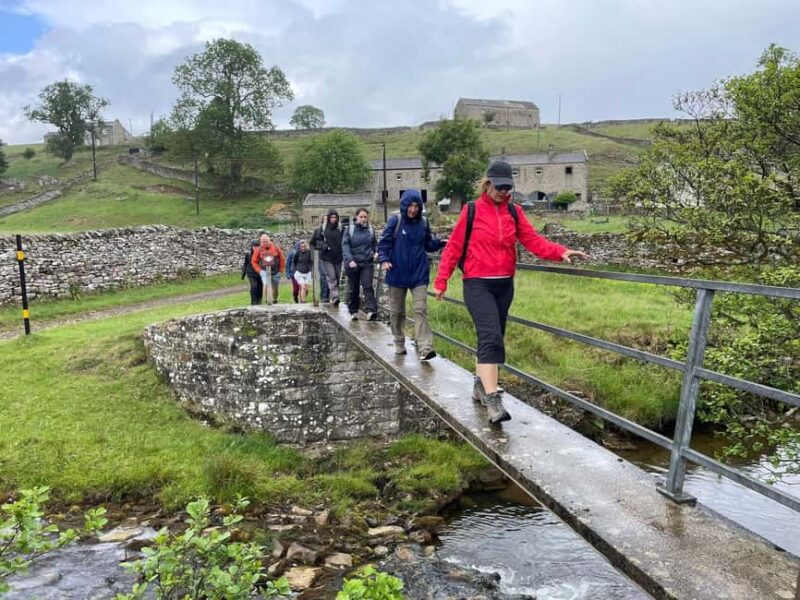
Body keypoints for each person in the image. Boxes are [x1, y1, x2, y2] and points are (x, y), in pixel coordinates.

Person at [434, 160, 588, 424]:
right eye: (500, 187)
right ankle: (493, 401)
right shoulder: (471, 211)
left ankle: (480, 386)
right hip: (477, 284)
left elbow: (533, 241)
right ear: (488, 183)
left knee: (493, 340)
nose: (504, 192)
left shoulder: (514, 213)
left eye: (509, 187)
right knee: (491, 338)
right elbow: (454, 248)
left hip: (504, 285)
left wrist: (560, 251)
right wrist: (441, 280)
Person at [378, 189, 446, 360]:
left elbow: (428, 244)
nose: (413, 209)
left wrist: (440, 243)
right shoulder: (396, 220)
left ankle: (425, 348)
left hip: (418, 274)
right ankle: (399, 341)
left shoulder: (423, 222)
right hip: (397, 273)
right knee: (396, 312)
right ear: (405, 205)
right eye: (410, 205)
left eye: (416, 205)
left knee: (420, 310)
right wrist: (385, 259)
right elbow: (384, 243)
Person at [342, 207, 378, 321]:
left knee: (368, 286)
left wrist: (376, 252)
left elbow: (375, 244)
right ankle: (353, 311)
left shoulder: (371, 230)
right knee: (354, 288)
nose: (363, 219)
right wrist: (350, 260)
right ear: (356, 217)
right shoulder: (350, 230)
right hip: (353, 263)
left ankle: (371, 311)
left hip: (367, 262)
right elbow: (345, 246)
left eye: (365, 217)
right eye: (361, 217)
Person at [310, 209, 343, 305]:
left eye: (335, 217)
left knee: (337, 276)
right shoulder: (322, 229)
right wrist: (323, 246)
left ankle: (332, 297)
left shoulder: (341, 229)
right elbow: (314, 242)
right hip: (326, 257)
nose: (333, 219)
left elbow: (345, 241)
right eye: (331, 217)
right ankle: (335, 297)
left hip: (338, 257)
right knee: (331, 277)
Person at [251, 233, 286, 304]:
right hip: (264, 270)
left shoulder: (276, 247)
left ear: (269, 240)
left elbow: (282, 258)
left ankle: (275, 299)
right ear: (261, 242)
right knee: (266, 284)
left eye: (267, 241)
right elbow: (254, 261)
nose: (265, 243)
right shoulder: (258, 250)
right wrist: (259, 270)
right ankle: (266, 301)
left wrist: (281, 269)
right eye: (264, 242)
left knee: (275, 287)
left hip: (276, 271)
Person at [241, 239, 262, 305]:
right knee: (254, 286)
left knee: (260, 287)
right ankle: (254, 301)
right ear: (252, 247)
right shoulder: (248, 254)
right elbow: (245, 264)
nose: (255, 248)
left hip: (259, 273)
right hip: (251, 273)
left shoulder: (262, 254)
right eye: (254, 246)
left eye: (257, 246)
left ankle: (259, 299)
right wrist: (243, 274)